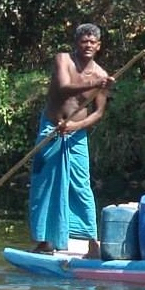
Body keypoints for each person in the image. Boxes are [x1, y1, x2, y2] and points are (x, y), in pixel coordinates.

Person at [29, 24, 115, 258]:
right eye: (83, 41)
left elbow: (98, 113)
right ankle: (46, 241)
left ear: (98, 46)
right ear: (76, 43)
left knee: (81, 186)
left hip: (76, 134)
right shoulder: (63, 60)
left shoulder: (101, 75)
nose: (88, 45)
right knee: (44, 183)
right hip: (51, 127)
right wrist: (96, 84)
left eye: (92, 42)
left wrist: (75, 126)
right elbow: (65, 87)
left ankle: (91, 244)